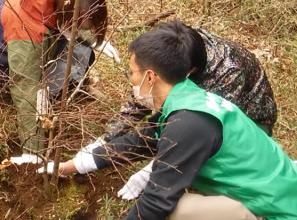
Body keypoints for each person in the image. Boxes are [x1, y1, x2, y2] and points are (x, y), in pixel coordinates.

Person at [71, 22, 297, 220]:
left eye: (131, 73)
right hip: (287, 195)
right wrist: (79, 164)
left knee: (179, 212)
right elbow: (143, 139)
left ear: (150, 76)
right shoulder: (189, 95)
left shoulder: (188, 122)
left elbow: (157, 199)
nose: (130, 80)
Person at [50, 21, 278, 177]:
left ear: (188, 72)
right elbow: (141, 95)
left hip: (249, 122)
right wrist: (104, 140)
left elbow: (195, 131)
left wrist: (158, 166)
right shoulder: (176, 46)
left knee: (203, 161)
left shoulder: (227, 74)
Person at [0, 0, 120, 164]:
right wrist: (33, 150)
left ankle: (73, 84)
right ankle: (37, 91)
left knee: (81, 49)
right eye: (78, 27)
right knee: (35, 90)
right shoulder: (28, 31)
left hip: (35, 34)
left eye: (85, 28)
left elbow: (78, 20)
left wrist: (93, 39)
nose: (81, 31)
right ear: (64, 14)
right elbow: (26, 86)